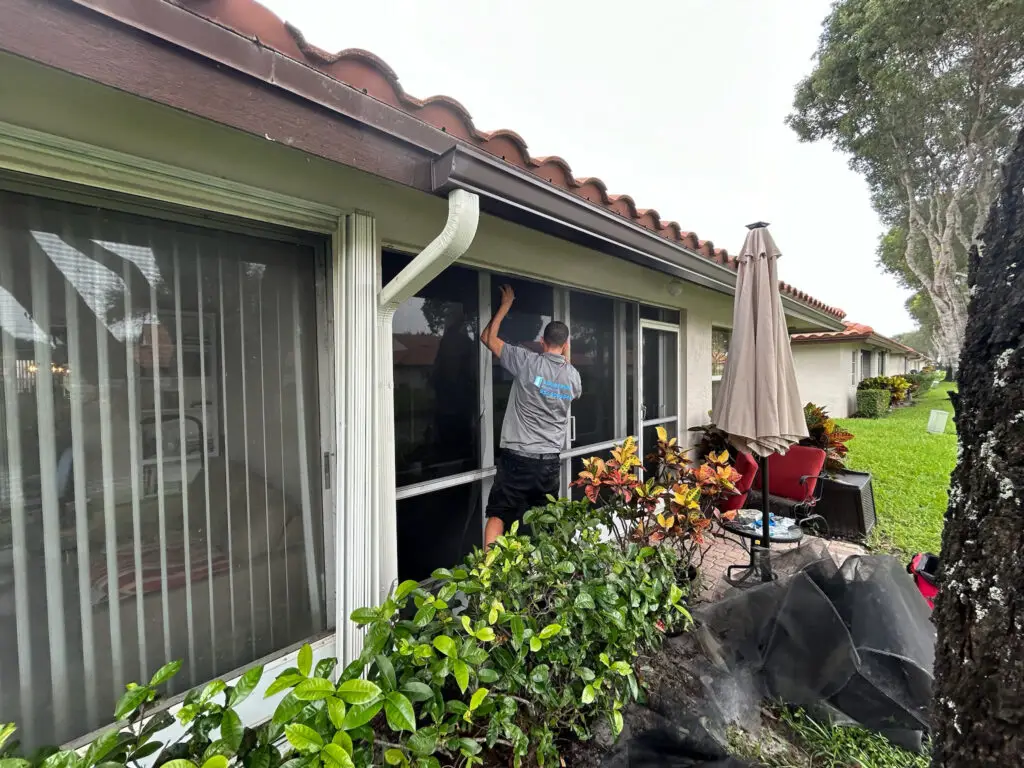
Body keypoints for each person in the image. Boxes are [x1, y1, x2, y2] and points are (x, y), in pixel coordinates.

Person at [479, 284, 582, 548]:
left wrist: (505, 305)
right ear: (566, 344)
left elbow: (487, 338)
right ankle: (546, 575)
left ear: (541, 343)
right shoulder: (573, 377)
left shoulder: (527, 362)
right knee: (546, 520)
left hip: (517, 458)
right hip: (549, 462)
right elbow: (565, 367)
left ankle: (489, 576)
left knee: (499, 513)